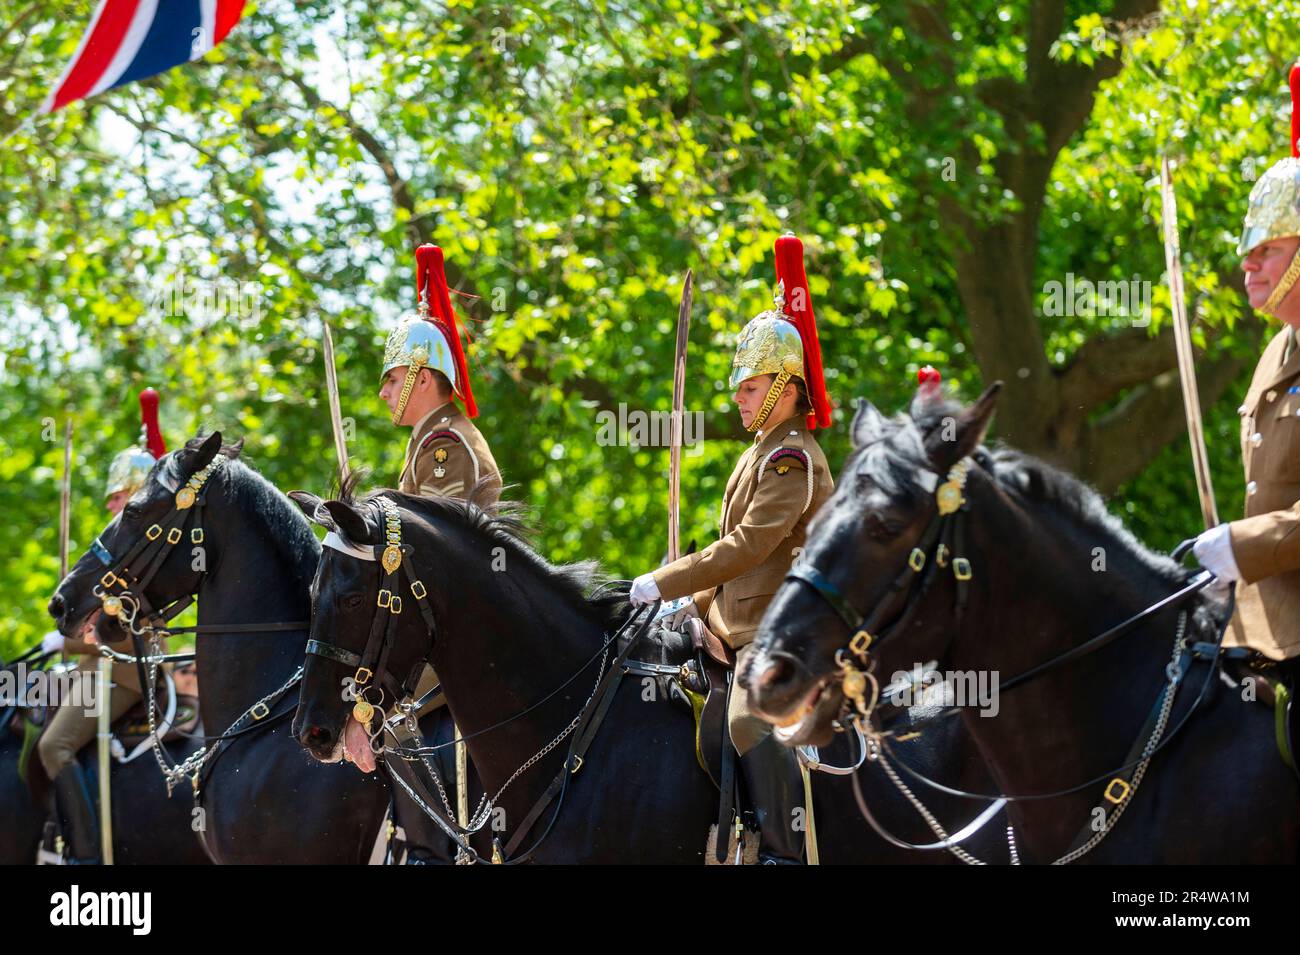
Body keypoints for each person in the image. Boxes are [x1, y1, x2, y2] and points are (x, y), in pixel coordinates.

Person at [629, 234, 834, 863]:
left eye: (748, 389)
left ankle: (782, 849)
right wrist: (690, 610)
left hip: (780, 634)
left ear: (780, 385)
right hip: (730, 629)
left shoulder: (791, 457)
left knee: (749, 720)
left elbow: (747, 547)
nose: (737, 400)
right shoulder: (761, 450)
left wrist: (665, 582)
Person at [374, 244, 501, 863]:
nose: (383, 393)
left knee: (378, 700)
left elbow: (436, 550)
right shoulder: (429, 442)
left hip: (458, 625)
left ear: (422, 379)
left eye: (392, 378)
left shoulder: (446, 445)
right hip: (437, 618)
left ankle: (429, 849)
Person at [1194, 63, 1300, 665]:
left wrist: (1242, 546)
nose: (1248, 266)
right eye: (1248, 252)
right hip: (1266, 633)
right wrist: (1231, 566)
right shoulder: (1274, 354)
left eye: (1269, 250)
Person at [38, 388, 166, 863]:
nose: (112, 504)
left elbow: (121, 640)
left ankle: (86, 853)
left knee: (54, 747)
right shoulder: (115, 553)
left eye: (120, 496)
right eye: (113, 496)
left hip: (126, 673)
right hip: (97, 671)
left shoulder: (142, 558)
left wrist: (68, 645)